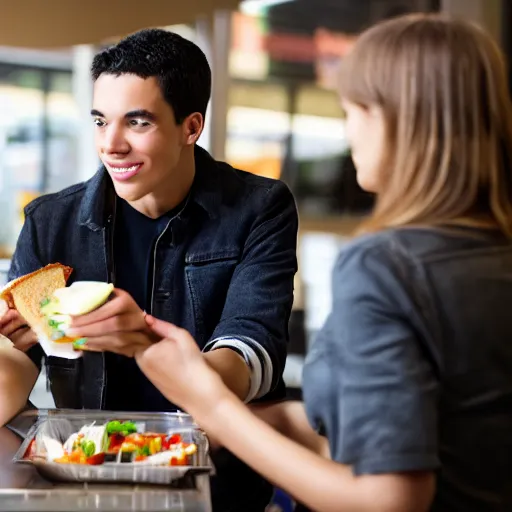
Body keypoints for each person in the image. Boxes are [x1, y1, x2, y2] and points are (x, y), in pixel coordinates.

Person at [133, 14, 512, 512]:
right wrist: (279, 421)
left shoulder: (384, 266)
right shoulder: (490, 255)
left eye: (353, 108)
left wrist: (214, 406)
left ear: (396, 118)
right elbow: (444, 442)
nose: (347, 128)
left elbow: (388, 499)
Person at [0, 29, 298, 511]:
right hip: (83, 483)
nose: (110, 145)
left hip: (217, 484)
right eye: (100, 121)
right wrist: (2, 344)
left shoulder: (259, 209)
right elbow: (16, 373)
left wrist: (143, 340)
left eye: (137, 123)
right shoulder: (49, 221)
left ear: (191, 126)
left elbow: (251, 361)